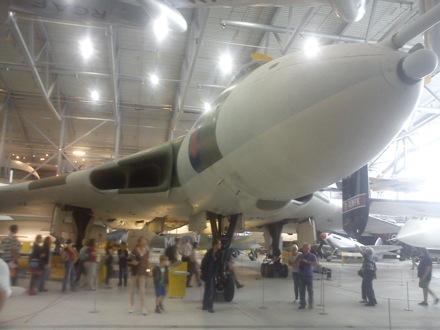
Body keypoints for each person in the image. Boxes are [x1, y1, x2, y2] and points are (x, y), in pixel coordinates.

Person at [128, 236, 150, 315]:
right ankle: (132, 306)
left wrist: (149, 270)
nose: (145, 242)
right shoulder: (134, 251)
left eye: (145, 241)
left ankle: (143, 307)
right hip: (135, 270)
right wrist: (132, 263)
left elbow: (147, 261)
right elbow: (130, 260)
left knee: (142, 289)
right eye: (143, 241)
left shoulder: (147, 251)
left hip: (143, 271)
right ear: (139, 242)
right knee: (132, 289)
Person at [201, 239, 221, 313]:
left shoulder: (216, 253)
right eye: (219, 244)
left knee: (208, 291)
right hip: (209, 275)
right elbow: (205, 264)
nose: (220, 245)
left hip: (211, 274)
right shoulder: (210, 253)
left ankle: (205, 305)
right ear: (215, 245)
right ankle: (209, 307)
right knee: (212, 291)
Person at [297, 243, 317, 309]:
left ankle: (310, 303)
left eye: (305, 248)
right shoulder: (300, 255)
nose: (304, 249)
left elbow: (315, 264)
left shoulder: (312, 256)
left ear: (309, 249)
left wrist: (307, 261)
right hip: (301, 275)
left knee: (310, 290)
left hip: (309, 275)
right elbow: (295, 263)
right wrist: (299, 262)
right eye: (303, 248)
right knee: (301, 290)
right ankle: (302, 304)